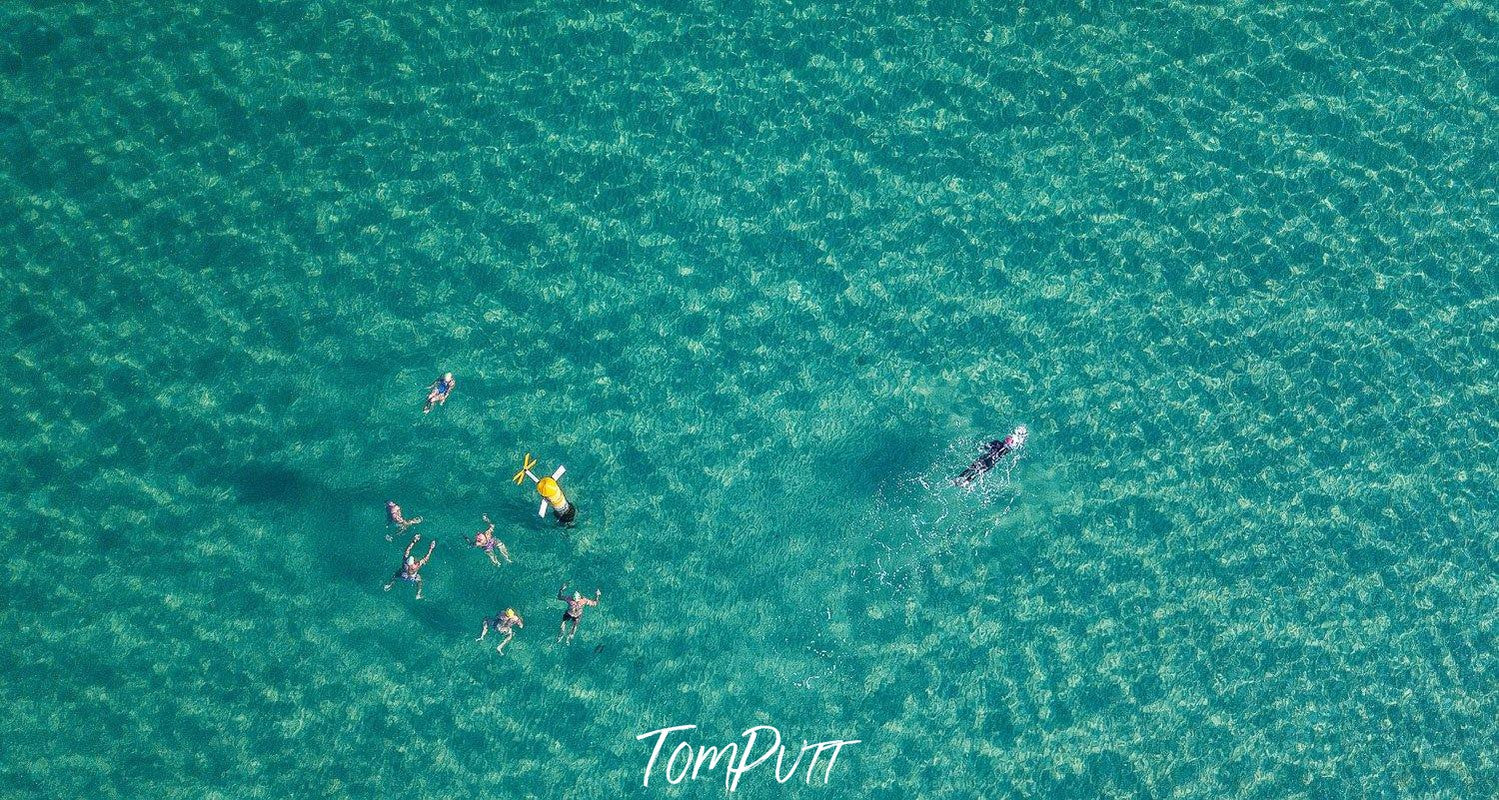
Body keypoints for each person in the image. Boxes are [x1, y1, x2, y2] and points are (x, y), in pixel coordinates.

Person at [953, 425, 1028, 487]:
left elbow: (986, 446)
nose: (1007, 439)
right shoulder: (1006, 449)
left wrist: (984, 447)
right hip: (990, 462)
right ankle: (965, 481)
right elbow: (987, 446)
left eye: (1008, 439)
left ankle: (960, 479)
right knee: (976, 471)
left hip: (987, 460)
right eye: (1008, 438)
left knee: (973, 469)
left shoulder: (1000, 445)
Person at [384, 533, 437, 599]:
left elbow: (407, 550)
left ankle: (390, 584)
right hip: (412, 578)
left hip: (403, 576)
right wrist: (431, 548)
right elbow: (426, 558)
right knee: (419, 582)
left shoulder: (405, 564)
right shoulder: (416, 566)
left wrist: (413, 541)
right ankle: (418, 594)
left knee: (395, 575)